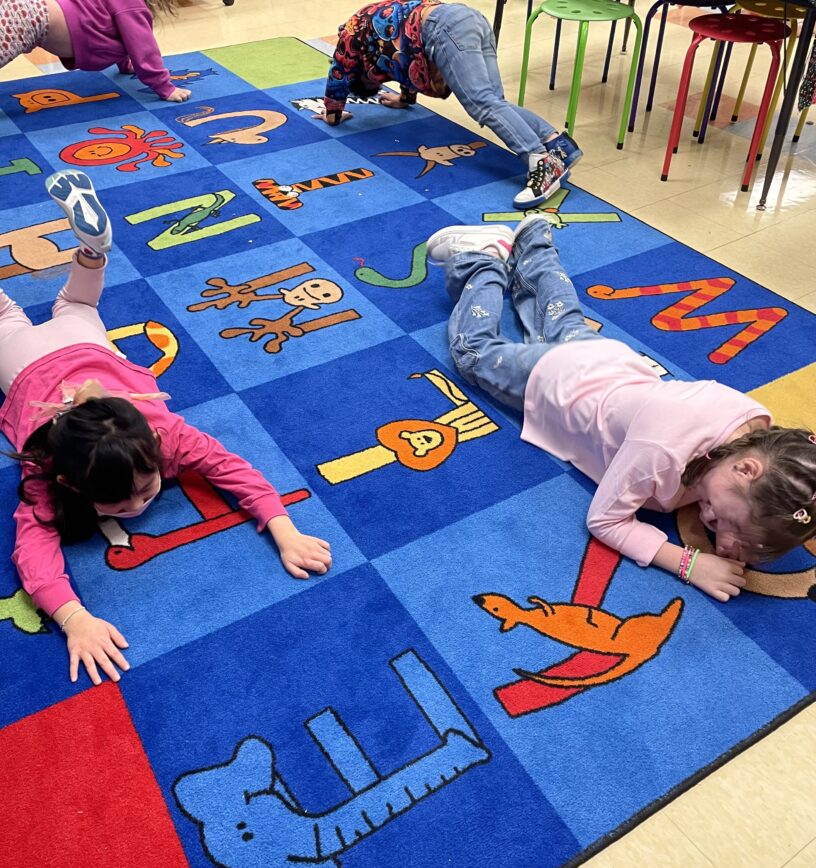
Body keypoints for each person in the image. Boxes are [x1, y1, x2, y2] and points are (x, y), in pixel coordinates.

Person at [1, 172, 332, 685]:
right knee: (74, 309)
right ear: (67, 483)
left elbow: (232, 470)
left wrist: (285, 529)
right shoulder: (52, 469)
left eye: (144, 488)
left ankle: (88, 253)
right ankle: (91, 253)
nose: (137, 508)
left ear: (154, 448)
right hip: (42, 360)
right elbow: (32, 550)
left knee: (13, 320)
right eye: (117, 503)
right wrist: (74, 619)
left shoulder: (162, 437)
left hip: (55, 355)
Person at [426, 217, 816, 601]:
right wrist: (687, 563)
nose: (730, 544)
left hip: (610, 362)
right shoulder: (660, 453)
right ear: (745, 468)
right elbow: (605, 520)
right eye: (733, 528)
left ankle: (534, 239)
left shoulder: (757, 427)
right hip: (556, 385)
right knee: (474, 354)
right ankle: (481, 257)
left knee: (559, 315)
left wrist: (739, 525)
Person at [314, 0, 582, 208]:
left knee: (482, 105)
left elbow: (339, 70)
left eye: (372, 84)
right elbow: (404, 55)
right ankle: (557, 144)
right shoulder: (370, 30)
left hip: (444, 29)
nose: (378, 82)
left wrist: (333, 112)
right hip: (466, 17)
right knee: (493, 100)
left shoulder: (350, 36)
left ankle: (541, 162)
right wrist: (404, 99)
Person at [0, 0, 190, 102]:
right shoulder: (131, 5)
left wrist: (125, 64)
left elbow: (113, 31)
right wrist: (165, 87)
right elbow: (143, 46)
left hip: (25, 10)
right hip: (26, 18)